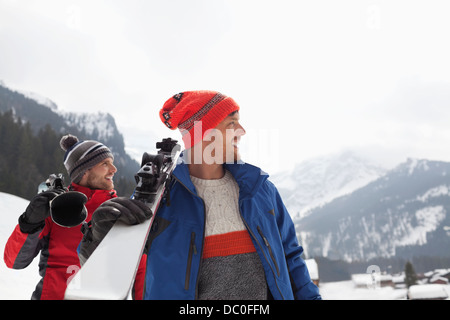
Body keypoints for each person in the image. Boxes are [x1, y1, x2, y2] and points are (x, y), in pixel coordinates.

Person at [81, 90, 321, 300]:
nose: (243, 131)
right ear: (204, 134)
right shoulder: (158, 197)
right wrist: (98, 236)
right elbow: (109, 270)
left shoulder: (260, 189)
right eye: (231, 124)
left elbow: (291, 257)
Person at [3, 134, 120, 300]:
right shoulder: (57, 207)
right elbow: (13, 261)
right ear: (85, 171)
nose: (114, 169)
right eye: (105, 164)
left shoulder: (118, 210)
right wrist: (29, 223)